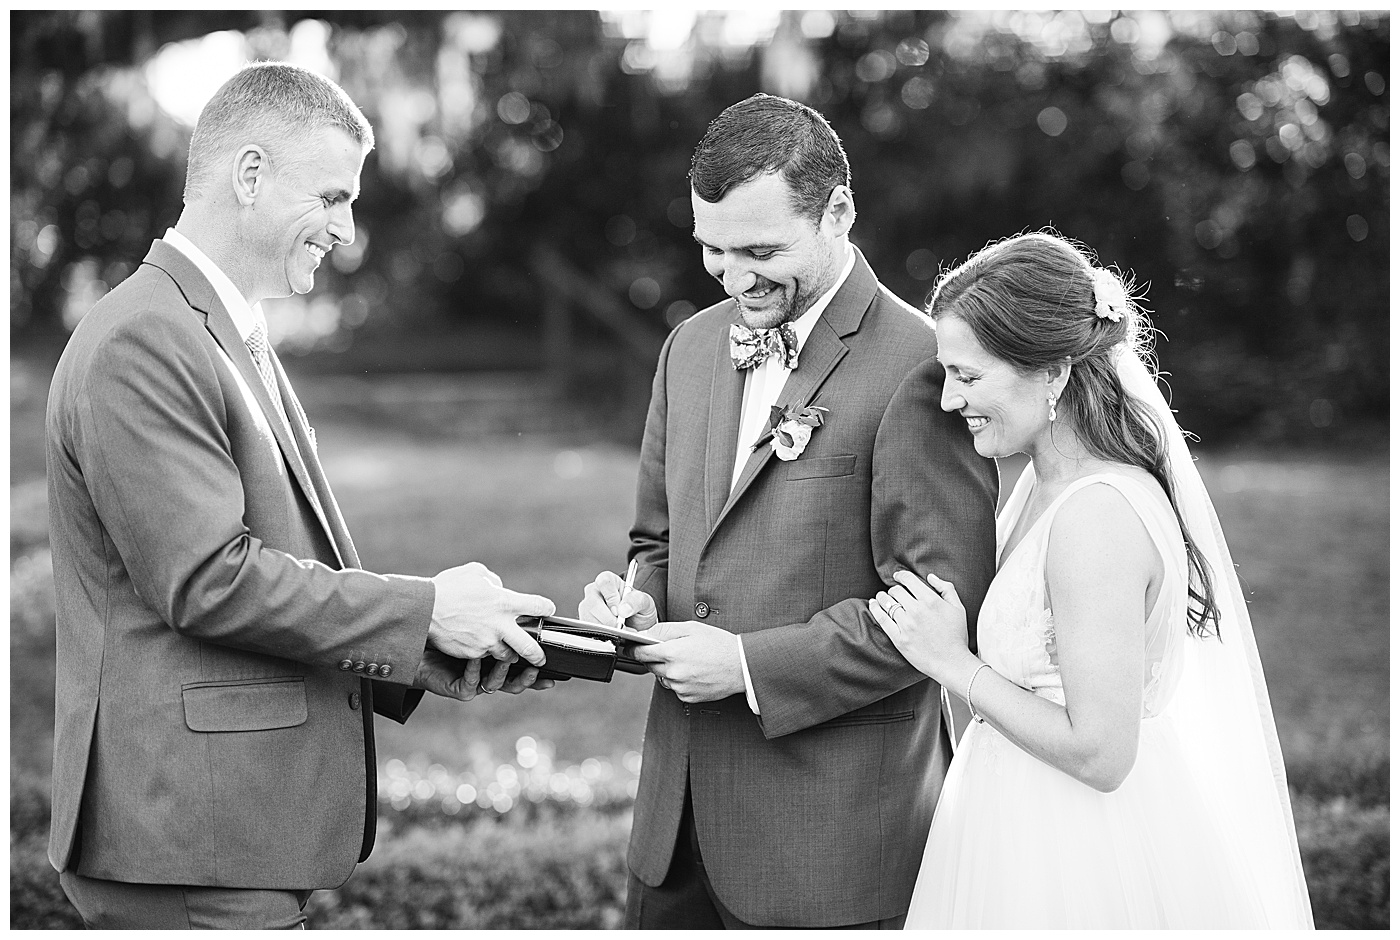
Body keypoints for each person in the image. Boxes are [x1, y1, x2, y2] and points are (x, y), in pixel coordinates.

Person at [44, 62, 557, 929]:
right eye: (330, 196)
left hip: (226, 836)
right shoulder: (145, 338)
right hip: (187, 842)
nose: (346, 229)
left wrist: (445, 648)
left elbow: (283, 559)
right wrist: (422, 609)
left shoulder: (217, 326)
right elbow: (208, 579)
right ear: (250, 174)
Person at [578, 94, 999, 929]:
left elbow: (939, 609)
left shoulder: (923, 365)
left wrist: (744, 666)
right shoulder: (689, 347)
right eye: (713, 251)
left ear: (837, 211)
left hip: (832, 843)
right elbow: (658, 541)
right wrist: (631, 600)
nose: (735, 278)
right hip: (674, 834)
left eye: (761, 250)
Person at [868, 231, 1315, 928]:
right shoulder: (1042, 486)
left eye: (970, 375)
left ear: (1052, 372)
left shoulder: (1097, 515)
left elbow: (1102, 752)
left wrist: (952, 663)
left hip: (1079, 849)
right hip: (1011, 824)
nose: (951, 401)